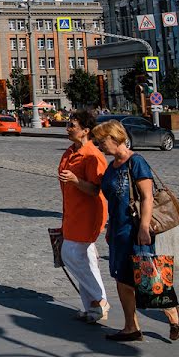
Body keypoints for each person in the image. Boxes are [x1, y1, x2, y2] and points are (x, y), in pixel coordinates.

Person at [93, 120, 179, 342]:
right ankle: (131, 327)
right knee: (122, 278)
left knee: (147, 275)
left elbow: (147, 198)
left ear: (115, 138)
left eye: (101, 141)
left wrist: (144, 228)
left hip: (136, 229)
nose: (99, 146)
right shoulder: (112, 165)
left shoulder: (136, 162)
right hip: (117, 229)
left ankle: (174, 313)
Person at [57, 110, 109, 324]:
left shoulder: (92, 155)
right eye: (68, 124)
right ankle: (93, 309)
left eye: (72, 126)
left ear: (85, 131)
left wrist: (76, 180)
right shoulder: (70, 151)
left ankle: (100, 299)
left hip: (88, 214)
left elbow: (98, 189)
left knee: (69, 254)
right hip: (72, 212)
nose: (68, 128)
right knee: (87, 261)